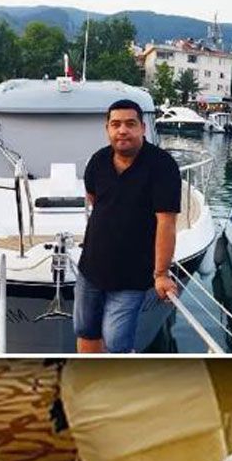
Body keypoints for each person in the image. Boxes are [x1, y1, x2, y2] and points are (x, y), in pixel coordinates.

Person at [75, 99, 181, 353]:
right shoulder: (98, 161)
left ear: (143, 128)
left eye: (130, 124)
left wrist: (161, 274)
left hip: (132, 275)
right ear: (108, 129)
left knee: (117, 342)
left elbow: (166, 223)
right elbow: (94, 200)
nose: (122, 130)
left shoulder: (162, 166)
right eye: (116, 124)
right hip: (91, 268)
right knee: (86, 330)